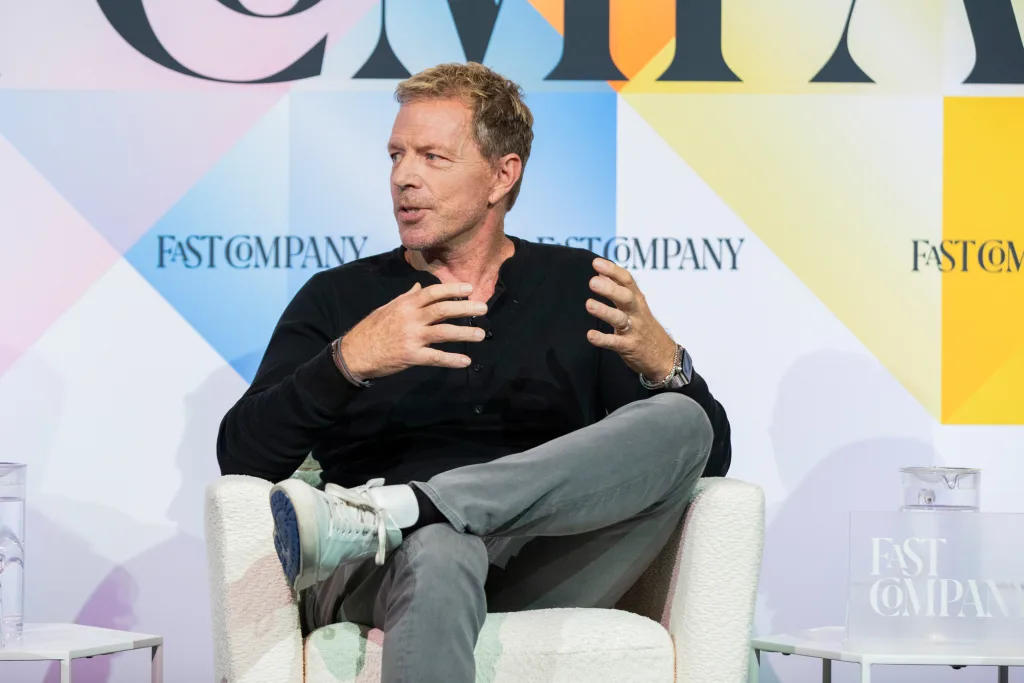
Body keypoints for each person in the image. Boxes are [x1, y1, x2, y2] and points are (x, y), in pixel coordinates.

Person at [216, 61, 731, 683]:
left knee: (682, 418)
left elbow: (703, 460)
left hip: (543, 562)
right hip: (383, 566)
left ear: (501, 175)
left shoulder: (580, 286)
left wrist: (667, 366)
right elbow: (242, 456)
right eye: (396, 155)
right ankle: (408, 519)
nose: (403, 177)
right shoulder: (339, 297)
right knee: (438, 543)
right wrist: (347, 361)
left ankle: (411, 506)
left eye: (433, 158)